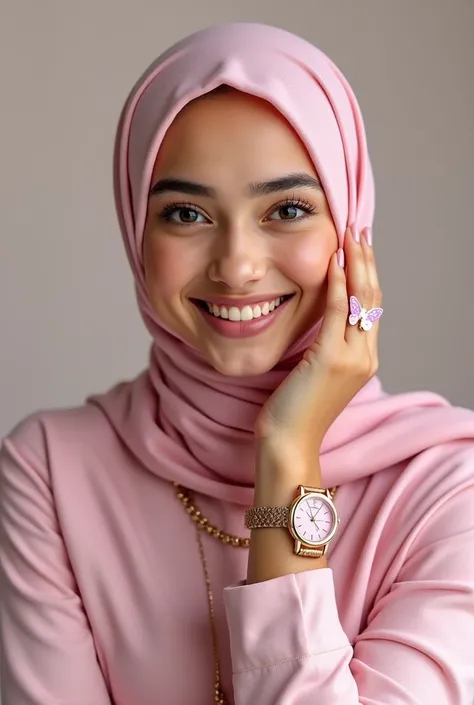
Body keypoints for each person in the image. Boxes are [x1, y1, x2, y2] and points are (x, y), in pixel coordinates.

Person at [1, 21, 473, 705]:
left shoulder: (450, 489)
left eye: (286, 208)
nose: (237, 265)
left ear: (350, 223)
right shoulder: (48, 472)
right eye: (187, 214)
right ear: (136, 227)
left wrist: (288, 453)